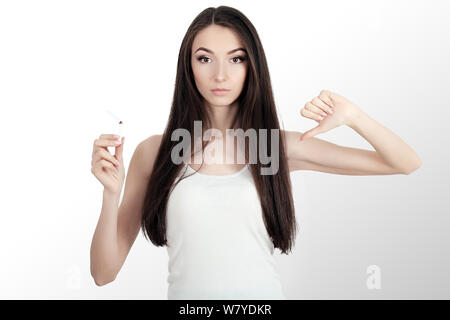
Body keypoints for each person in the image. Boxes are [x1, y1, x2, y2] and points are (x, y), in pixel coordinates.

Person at [89, 6, 422, 299]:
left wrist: (353, 116)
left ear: (252, 66)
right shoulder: (155, 152)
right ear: (188, 67)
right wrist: (110, 194)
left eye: (236, 59)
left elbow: (406, 163)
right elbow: (104, 274)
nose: (220, 74)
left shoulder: (275, 147)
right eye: (205, 58)